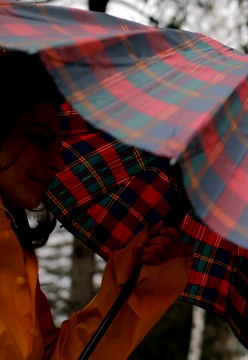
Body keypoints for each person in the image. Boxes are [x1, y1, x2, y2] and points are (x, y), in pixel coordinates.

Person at [0, 50, 194, 359]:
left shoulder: (15, 257)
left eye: (57, 144)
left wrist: (137, 284)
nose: (57, 162)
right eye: (38, 138)